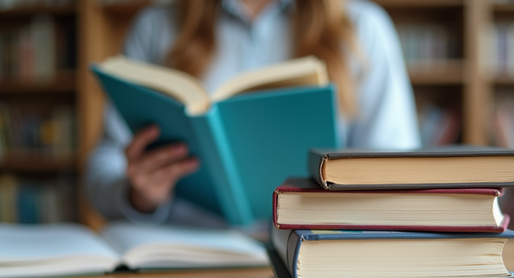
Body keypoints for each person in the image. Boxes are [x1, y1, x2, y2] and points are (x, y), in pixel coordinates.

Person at [85, 0, 421, 230]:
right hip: (185, 254)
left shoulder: (363, 29)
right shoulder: (155, 27)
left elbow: (398, 176)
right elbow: (100, 172)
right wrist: (138, 194)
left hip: (314, 251)